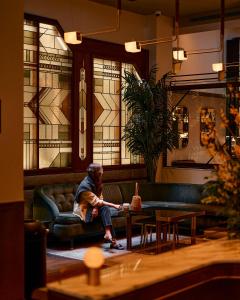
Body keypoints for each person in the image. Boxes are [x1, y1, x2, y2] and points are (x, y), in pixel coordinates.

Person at [73, 163, 124, 250]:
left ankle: (108, 235)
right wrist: (114, 205)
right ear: (95, 173)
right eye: (100, 171)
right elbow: (97, 201)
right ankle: (112, 239)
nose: (102, 172)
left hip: (93, 206)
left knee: (105, 209)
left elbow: (99, 198)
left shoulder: (96, 182)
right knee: (106, 210)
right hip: (84, 209)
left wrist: (95, 208)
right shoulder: (85, 186)